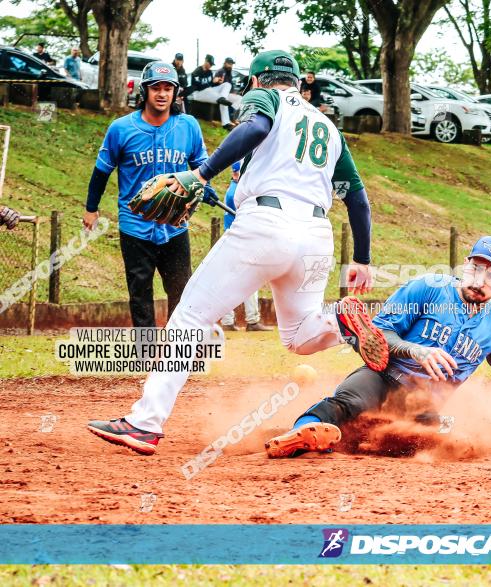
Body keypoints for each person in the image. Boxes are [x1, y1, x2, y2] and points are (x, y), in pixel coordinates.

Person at [87, 49, 387, 457]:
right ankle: (341, 322)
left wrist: (200, 172)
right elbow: (358, 201)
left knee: (191, 316)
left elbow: (256, 127)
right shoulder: (328, 127)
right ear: (299, 82)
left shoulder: (266, 96)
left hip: (265, 225)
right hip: (316, 234)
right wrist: (363, 259)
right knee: (300, 337)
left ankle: (144, 424)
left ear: (258, 79)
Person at [265, 236, 491, 459]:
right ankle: (299, 434)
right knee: (351, 403)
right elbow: (380, 334)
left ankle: (344, 437)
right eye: (476, 269)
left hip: (421, 405)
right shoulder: (428, 287)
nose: (480, 280)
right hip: (382, 375)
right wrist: (416, 350)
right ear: (465, 265)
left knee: (426, 440)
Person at [83, 62, 208, 328]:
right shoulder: (121, 128)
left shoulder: (188, 126)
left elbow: (202, 168)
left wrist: (203, 191)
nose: (162, 94)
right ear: (144, 91)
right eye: (155, 88)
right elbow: (101, 171)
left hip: (175, 224)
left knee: (182, 290)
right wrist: (91, 208)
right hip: (135, 225)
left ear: (175, 93)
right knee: (140, 292)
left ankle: (178, 351)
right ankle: (147, 357)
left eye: (168, 88)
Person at [220, 160, 271, 332]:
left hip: (239, 240)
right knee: (239, 281)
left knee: (245, 281)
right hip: (239, 240)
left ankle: (248, 320)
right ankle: (241, 321)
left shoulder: (236, 190)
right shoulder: (235, 192)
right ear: (236, 173)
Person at [188, 55, 237, 130]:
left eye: (211, 64)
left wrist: (216, 82)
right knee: (209, 90)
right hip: (198, 93)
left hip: (209, 91)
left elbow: (210, 84)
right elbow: (197, 86)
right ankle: (224, 104)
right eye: (210, 63)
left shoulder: (210, 72)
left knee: (227, 84)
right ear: (205, 61)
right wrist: (211, 86)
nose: (210, 65)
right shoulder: (197, 71)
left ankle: (223, 100)